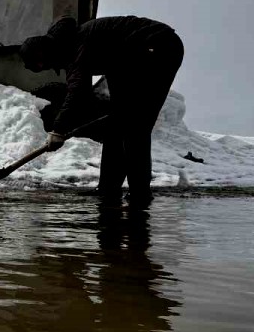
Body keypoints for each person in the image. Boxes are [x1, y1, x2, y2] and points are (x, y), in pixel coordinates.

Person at [20, 15, 183, 206]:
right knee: (115, 125)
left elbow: (78, 91)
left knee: (135, 125)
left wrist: (59, 129)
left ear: (44, 51)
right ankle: (107, 189)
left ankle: (140, 193)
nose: (42, 67)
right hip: (124, 59)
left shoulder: (77, 47)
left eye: (39, 63)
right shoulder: (70, 45)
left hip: (157, 48)